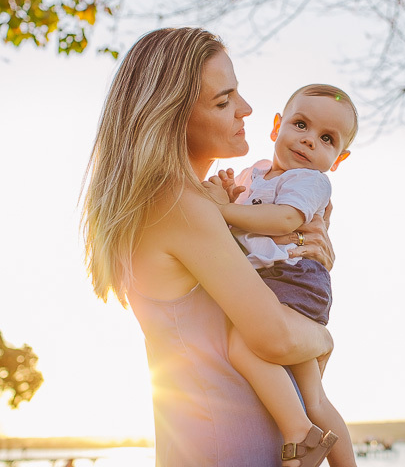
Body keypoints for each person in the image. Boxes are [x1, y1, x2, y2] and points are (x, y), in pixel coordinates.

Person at [82, 27, 338, 467]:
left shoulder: (189, 202)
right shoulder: (181, 206)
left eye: (236, 92)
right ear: (171, 117)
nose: (247, 109)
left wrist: (305, 250)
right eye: (223, 101)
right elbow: (275, 338)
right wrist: (323, 337)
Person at [203, 84, 358, 467]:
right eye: (301, 125)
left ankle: (298, 433)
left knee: (243, 344)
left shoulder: (310, 181)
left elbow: (283, 219)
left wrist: (221, 211)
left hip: (292, 280)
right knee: (315, 396)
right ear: (276, 127)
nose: (308, 141)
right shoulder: (254, 173)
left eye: (326, 139)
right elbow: (240, 217)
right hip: (274, 282)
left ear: (338, 159)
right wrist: (228, 194)